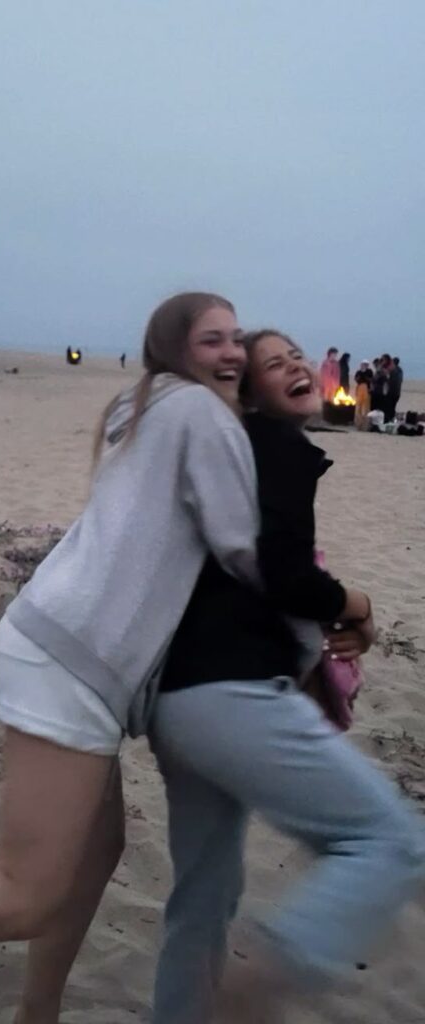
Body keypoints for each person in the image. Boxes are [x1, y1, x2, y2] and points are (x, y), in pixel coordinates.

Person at [0, 292, 263, 1024]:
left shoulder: (145, 409)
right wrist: (340, 605)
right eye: (212, 340)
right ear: (173, 348)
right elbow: (244, 549)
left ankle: (36, 1013)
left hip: (58, 644)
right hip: (72, 660)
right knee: (24, 893)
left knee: (98, 853)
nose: (232, 352)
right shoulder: (197, 414)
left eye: (238, 338)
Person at [149, 331, 425, 1024]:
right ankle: (262, 979)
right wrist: (354, 604)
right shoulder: (276, 448)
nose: (298, 366)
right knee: (389, 840)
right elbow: (284, 574)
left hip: (178, 703)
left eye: (298, 355)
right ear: (249, 392)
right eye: (275, 364)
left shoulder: (236, 453)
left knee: (204, 896)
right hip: (232, 694)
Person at [354, 359, 373, 430]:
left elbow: (371, 380)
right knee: (358, 406)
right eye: (363, 364)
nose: (364, 365)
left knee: (366, 407)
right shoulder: (358, 372)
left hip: (366, 389)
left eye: (366, 364)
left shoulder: (369, 371)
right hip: (359, 388)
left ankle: (365, 424)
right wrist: (360, 376)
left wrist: (366, 377)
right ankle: (358, 423)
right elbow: (356, 379)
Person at [387, 356, 404, 422]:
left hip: (392, 392)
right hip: (397, 393)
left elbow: (390, 381)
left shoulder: (393, 370)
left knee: (390, 406)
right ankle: (392, 418)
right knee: (393, 406)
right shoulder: (400, 370)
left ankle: (390, 419)